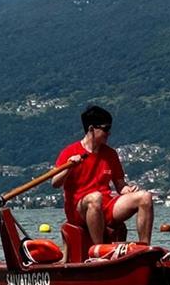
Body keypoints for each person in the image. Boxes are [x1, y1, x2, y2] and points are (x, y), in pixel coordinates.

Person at [52, 105, 153, 246]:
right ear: (91, 129)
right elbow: (55, 183)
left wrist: (128, 190)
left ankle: (145, 248)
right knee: (95, 198)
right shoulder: (70, 152)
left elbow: (120, 186)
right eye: (105, 129)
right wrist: (69, 167)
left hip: (106, 205)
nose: (109, 133)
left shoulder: (110, 154)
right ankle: (98, 249)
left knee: (145, 197)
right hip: (79, 210)